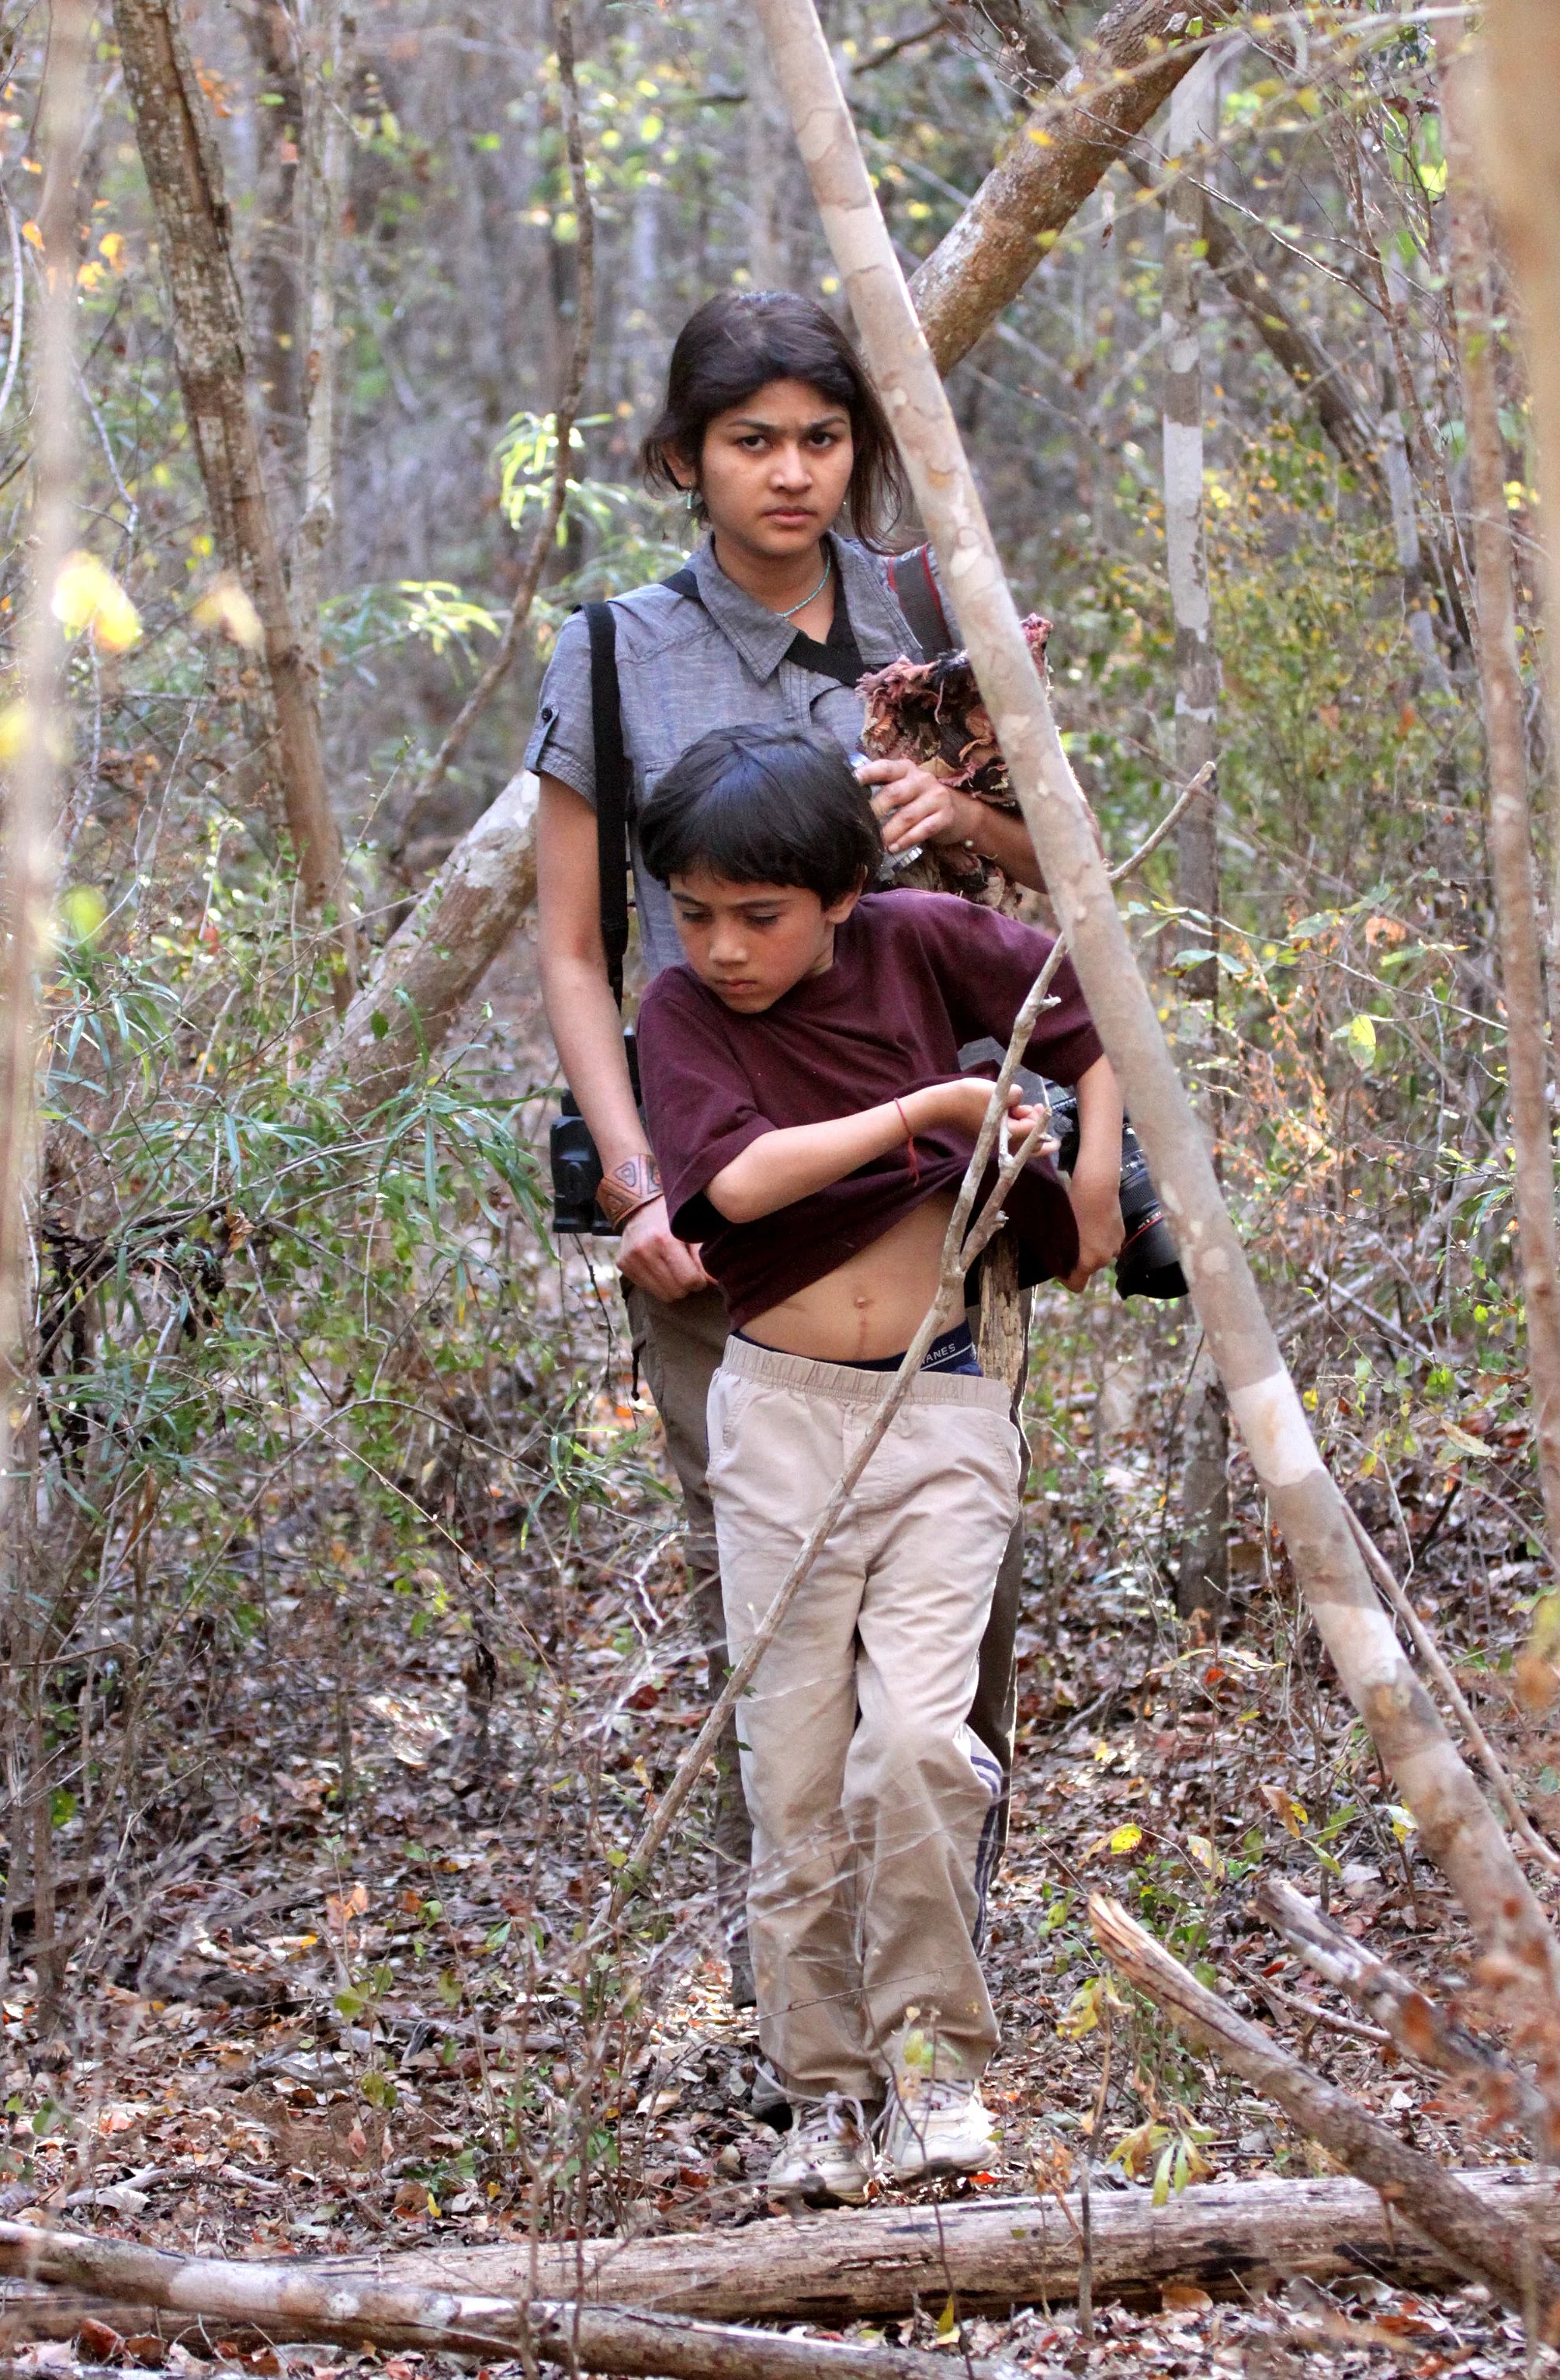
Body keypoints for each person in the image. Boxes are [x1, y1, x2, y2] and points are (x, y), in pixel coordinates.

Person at [530, 291, 1047, 1998]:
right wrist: (634, 1184)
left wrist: (956, 817)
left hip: (944, 1206)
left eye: (821, 438)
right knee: (773, 1628)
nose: (792, 473)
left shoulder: (925, 614)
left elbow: (1066, 897)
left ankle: (936, 2018)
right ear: (687, 456)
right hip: (725, 1198)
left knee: (957, 1620)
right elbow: (579, 949)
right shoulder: (616, 650)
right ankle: (799, 2015)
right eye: (752, 439)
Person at [634, 725, 1125, 2201]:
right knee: (792, 1769)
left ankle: (934, 2065)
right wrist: (924, 1109)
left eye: (760, 916)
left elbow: (1090, 998)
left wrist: (1092, 1172)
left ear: (842, 893)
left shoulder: (917, 942)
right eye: (696, 911)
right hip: (777, 1412)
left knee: (918, 1739)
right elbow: (732, 1181)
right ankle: (825, 2091)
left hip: (944, 1402)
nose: (723, 947)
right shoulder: (679, 1011)